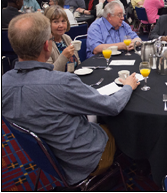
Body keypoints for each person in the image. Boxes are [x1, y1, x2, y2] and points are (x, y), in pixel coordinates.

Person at [3, 12, 140, 186]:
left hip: (44, 158)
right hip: (84, 158)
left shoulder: (4, 82)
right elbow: (112, 106)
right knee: (119, 125)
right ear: (47, 45)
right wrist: (128, 85)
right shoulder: (60, 83)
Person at [44, 6, 80, 72]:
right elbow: (49, 74)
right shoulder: (45, 44)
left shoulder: (67, 38)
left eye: (63, 21)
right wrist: (64, 56)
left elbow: (78, 63)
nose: (61, 25)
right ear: (48, 24)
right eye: (56, 22)